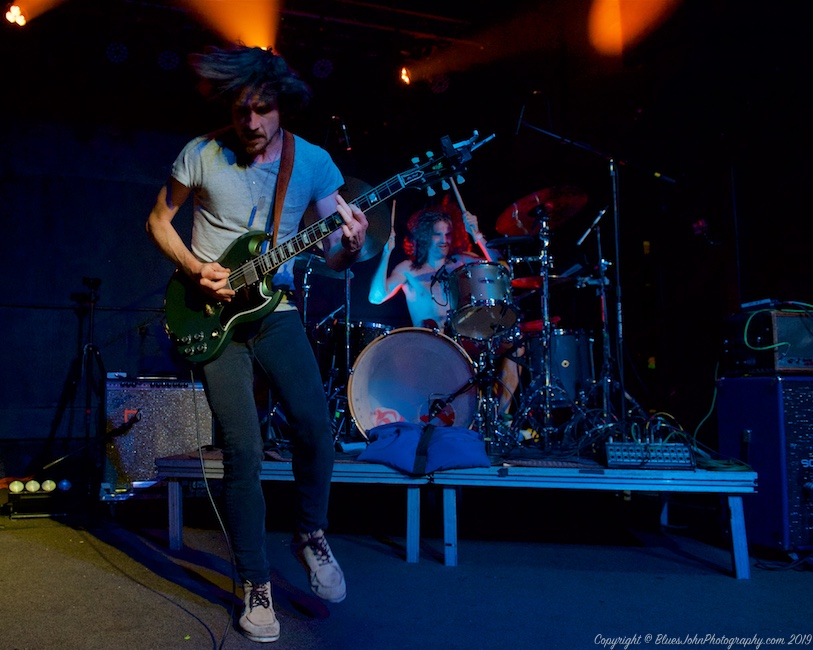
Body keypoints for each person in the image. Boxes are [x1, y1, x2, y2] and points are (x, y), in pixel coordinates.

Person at [146, 44, 368, 644]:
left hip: (276, 310)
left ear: (281, 107)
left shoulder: (314, 162)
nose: (251, 122)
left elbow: (335, 252)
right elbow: (159, 221)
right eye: (242, 110)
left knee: (315, 428)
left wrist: (351, 242)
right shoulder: (201, 153)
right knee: (242, 450)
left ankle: (310, 534)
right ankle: (254, 581)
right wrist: (195, 269)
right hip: (211, 315)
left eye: (263, 110)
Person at [368, 200, 520, 411]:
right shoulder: (409, 270)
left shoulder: (460, 262)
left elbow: (504, 271)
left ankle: (501, 417)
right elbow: (375, 297)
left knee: (515, 348)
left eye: (447, 234)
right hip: (426, 344)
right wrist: (387, 252)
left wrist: (478, 236)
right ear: (424, 236)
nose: (444, 240)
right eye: (437, 234)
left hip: (462, 339)